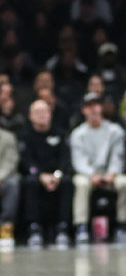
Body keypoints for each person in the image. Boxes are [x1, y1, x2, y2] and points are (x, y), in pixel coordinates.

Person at [70, 92, 126, 244]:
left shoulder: (115, 131)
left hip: (110, 173)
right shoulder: (78, 134)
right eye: (89, 106)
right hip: (87, 174)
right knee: (81, 184)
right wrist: (92, 174)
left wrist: (112, 173)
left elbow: (118, 156)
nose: (93, 109)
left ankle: (123, 225)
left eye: (96, 105)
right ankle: (81, 227)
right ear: (84, 110)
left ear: (101, 108)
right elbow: (79, 161)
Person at [19, 100, 73, 248]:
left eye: (44, 111)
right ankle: (34, 228)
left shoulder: (60, 134)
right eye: (37, 112)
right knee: (30, 183)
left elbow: (65, 159)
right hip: (36, 176)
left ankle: (63, 228)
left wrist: (57, 175)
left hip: (57, 176)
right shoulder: (25, 136)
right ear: (30, 116)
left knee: (68, 183)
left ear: (50, 114)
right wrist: (41, 175)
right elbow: (26, 162)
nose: (41, 115)